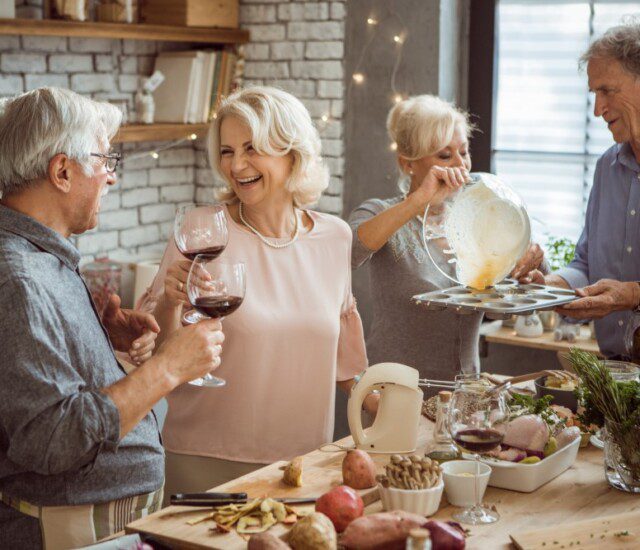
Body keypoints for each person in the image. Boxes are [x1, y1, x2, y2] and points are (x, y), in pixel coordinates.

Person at [0, 88, 224, 548]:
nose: (111, 178)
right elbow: (53, 437)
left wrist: (102, 341)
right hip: (70, 529)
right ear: (62, 171)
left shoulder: (43, 256)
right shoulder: (19, 278)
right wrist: (168, 368)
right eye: (105, 161)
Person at [138, 86, 376, 498]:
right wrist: (169, 301)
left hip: (304, 464)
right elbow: (156, 356)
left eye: (252, 148)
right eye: (227, 151)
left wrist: (405, 417)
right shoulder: (200, 232)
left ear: (292, 153)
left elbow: (345, 367)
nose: (237, 165)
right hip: (207, 460)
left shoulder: (335, 237)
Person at [348, 95, 544, 385]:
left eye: (463, 152)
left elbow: (491, 308)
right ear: (408, 164)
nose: (460, 165)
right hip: (395, 392)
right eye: (444, 155)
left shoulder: (478, 221)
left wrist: (526, 271)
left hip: (465, 389)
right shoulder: (379, 211)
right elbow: (349, 250)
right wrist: (418, 201)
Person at [525, 22, 640, 358]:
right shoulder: (607, 168)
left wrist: (630, 294)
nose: (598, 110)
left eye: (607, 90)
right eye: (594, 94)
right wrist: (545, 288)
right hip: (613, 370)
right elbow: (586, 266)